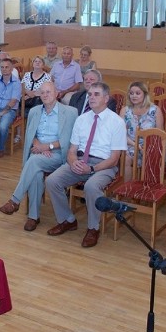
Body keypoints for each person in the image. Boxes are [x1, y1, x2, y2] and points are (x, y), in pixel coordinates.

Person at [45, 82, 127, 248]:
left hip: (104, 166)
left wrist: (92, 169)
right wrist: (74, 162)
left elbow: (114, 158)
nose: (91, 97)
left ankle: (93, 228)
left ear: (106, 98)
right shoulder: (82, 119)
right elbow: (72, 149)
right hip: (81, 161)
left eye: (96, 94)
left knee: (90, 186)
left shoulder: (117, 122)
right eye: (89, 94)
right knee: (52, 181)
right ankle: (67, 220)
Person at [0, 82, 77, 232]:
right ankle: (33, 217)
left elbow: (69, 140)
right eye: (42, 92)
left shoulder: (70, 112)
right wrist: (39, 146)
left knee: (33, 161)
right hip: (39, 151)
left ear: (56, 93)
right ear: (39, 95)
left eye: (49, 92)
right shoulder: (35, 111)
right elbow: (30, 134)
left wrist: (47, 147)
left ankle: (15, 200)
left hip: (58, 153)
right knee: (36, 172)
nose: (45, 95)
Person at [120, 81, 164, 163]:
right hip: (129, 144)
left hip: (150, 145)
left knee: (151, 155)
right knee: (126, 158)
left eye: (138, 93)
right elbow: (120, 134)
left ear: (145, 94)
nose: (134, 96)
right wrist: (135, 145)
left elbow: (160, 135)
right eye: (131, 93)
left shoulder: (155, 110)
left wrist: (149, 146)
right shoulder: (124, 111)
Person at [0, 58, 22, 158]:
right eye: (2, 67)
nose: (4, 69)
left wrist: (0, 114)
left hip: (9, 111)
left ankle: (0, 148)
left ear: (11, 69)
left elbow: (13, 102)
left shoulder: (16, 83)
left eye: (7, 67)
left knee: (2, 126)